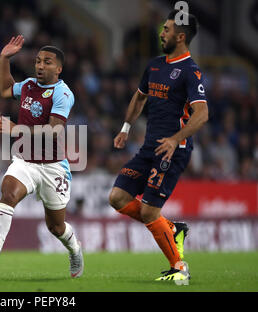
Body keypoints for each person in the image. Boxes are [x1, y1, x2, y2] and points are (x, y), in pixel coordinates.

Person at [109, 10, 209, 281]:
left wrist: (176, 139)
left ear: (180, 36)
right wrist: (125, 129)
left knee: (149, 211)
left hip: (172, 150)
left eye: (166, 29)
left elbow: (202, 114)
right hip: (149, 148)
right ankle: (172, 229)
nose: (161, 33)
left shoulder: (190, 71)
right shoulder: (154, 65)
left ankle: (180, 268)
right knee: (117, 197)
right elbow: (139, 98)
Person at [0, 35, 84, 278]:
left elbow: (55, 130)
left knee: (56, 227)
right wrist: (4, 59)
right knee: (8, 194)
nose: (40, 66)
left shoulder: (62, 94)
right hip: (25, 161)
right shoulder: (27, 86)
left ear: (59, 68)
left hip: (53, 167)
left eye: (46, 62)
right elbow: (5, 89)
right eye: (37, 61)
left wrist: (16, 129)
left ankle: (75, 249)